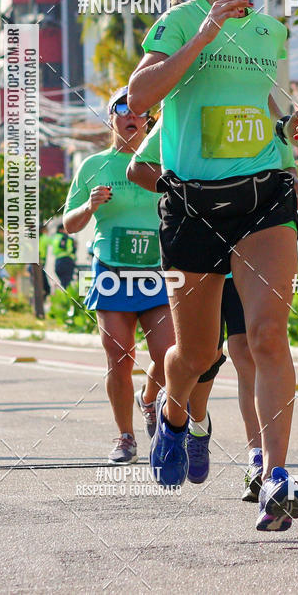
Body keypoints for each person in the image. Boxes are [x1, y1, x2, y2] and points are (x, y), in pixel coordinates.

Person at [102, 0, 298, 531]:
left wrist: (294, 132)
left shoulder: (271, 30)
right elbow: (139, 96)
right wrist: (205, 33)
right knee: (192, 354)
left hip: (262, 197)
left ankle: (275, 476)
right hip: (191, 204)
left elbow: (272, 106)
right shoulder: (176, 24)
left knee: (267, 336)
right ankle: (175, 415)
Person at [129, 115, 298, 498]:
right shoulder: (189, 110)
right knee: (201, 357)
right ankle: (177, 418)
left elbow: (284, 164)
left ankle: (262, 463)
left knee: (253, 348)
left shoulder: (257, 108)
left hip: (251, 254)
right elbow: (141, 169)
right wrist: (192, 198)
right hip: (200, 253)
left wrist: (294, 181)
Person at [62, 86, 175, 464]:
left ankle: (148, 399)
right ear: (111, 118)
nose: (132, 116)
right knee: (120, 357)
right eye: (122, 110)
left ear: (150, 121)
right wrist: (90, 206)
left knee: (167, 354)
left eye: (140, 111)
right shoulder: (94, 166)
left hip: (157, 273)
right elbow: (68, 224)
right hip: (111, 270)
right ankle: (125, 437)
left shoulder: (165, 160)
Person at [51, 222, 77, 290]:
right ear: (61, 230)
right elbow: (71, 250)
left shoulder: (54, 237)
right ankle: (67, 298)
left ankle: (64, 296)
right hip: (67, 262)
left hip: (57, 262)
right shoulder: (67, 238)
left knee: (63, 282)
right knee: (67, 283)